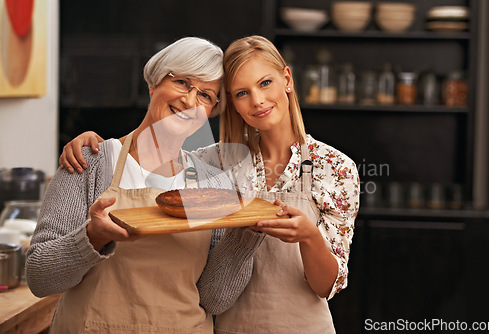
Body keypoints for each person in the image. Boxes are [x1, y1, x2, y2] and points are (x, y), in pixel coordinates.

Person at [59, 35, 360, 333]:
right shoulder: (212, 164)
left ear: (287, 79)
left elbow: (326, 287)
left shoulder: (335, 167)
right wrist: (95, 141)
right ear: (231, 104)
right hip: (230, 326)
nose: (257, 100)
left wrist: (309, 236)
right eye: (242, 93)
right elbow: (155, 149)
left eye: (265, 83)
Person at [26, 36, 265, 333]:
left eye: (205, 95)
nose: (190, 101)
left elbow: (213, 299)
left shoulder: (212, 183)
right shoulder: (89, 162)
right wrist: (92, 237)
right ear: (153, 84)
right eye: (182, 83)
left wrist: (247, 237)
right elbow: (39, 277)